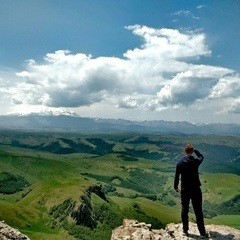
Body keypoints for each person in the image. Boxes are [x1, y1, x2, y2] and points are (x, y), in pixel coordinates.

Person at [174, 144, 208, 238]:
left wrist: (176, 187)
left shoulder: (180, 162)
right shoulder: (195, 161)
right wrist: (196, 150)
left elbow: (177, 176)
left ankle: (185, 230)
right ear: (192, 151)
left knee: (185, 209)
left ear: (184, 151)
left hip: (185, 189)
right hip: (196, 189)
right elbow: (201, 156)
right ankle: (202, 233)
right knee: (198, 211)